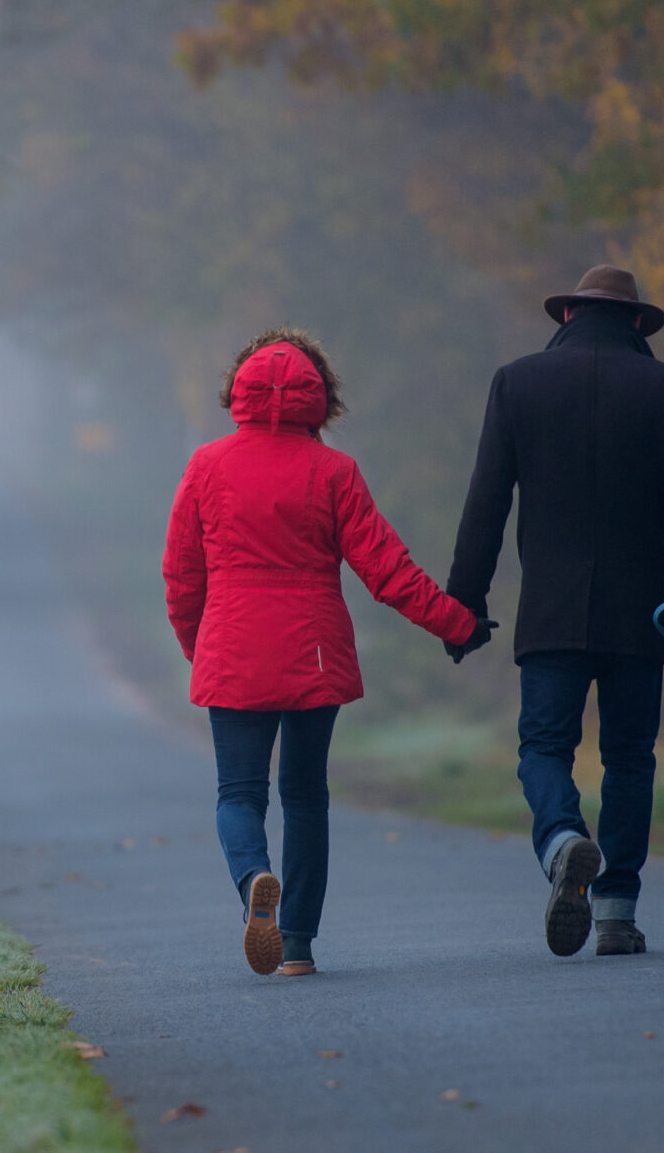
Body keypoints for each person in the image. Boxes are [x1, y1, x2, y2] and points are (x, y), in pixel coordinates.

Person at [162, 329, 492, 976]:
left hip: (231, 648)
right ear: (322, 397)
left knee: (238, 793)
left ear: (240, 393)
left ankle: (255, 878)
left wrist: (198, 648)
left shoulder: (206, 465)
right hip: (313, 653)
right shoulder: (334, 472)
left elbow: (180, 574)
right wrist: (457, 623)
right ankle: (298, 945)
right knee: (307, 794)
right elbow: (388, 570)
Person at [444, 265, 664, 958]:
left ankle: (563, 840)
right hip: (642, 615)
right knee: (630, 757)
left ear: (568, 316)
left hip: (550, 614)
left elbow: (486, 503)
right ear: (638, 323)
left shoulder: (518, 383)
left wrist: (463, 606)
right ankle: (615, 912)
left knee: (543, 749)